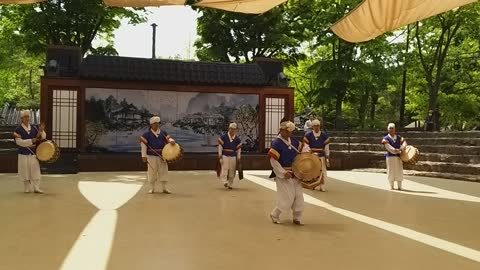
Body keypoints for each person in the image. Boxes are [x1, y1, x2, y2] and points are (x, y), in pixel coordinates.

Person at [268, 120, 304, 225]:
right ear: (281, 130)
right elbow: (273, 161)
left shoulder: (294, 141)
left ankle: (297, 217)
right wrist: (283, 173)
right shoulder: (276, 143)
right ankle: (274, 214)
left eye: (291, 132)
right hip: (283, 174)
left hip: (295, 173)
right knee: (287, 197)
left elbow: (302, 153)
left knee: (298, 195)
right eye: (288, 131)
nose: (290, 133)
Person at [140, 116, 176, 194]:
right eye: (155, 123)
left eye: (158, 123)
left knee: (163, 171)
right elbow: (143, 146)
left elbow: (168, 139)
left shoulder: (163, 133)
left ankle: (164, 188)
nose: (157, 125)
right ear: (151, 125)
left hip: (162, 156)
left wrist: (171, 141)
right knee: (152, 171)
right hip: (151, 156)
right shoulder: (146, 134)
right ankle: (152, 188)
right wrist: (144, 156)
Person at [13, 110, 46, 193]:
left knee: (35, 169)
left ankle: (36, 187)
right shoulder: (18, 130)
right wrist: (31, 140)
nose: (27, 118)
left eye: (28, 116)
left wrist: (41, 131)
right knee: (25, 170)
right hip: (23, 153)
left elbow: (42, 137)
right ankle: (26, 187)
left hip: (33, 153)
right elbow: (19, 142)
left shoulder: (34, 127)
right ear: (21, 119)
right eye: (25, 117)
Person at [300, 119, 330, 191]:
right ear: (312, 127)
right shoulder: (308, 135)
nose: (316, 127)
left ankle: (322, 186)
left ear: (320, 126)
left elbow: (326, 147)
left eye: (318, 126)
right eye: (315, 126)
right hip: (312, 156)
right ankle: (313, 185)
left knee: (322, 171)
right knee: (313, 171)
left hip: (321, 156)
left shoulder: (324, 135)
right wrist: (308, 154)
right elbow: (305, 146)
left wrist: (327, 156)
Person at [381, 123, 407, 190]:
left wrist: (402, 148)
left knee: (399, 171)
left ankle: (399, 186)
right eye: (390, 128)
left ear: (395, 129)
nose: (391, 129)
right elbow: (388, 147)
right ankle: (391, 186)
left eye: (392, 128)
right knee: (391, 171)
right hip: (390, 157)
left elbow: (404, 143)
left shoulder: (399, 137)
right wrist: (396, 150)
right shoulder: (385, 138)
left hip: (399, 157)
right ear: (388, 129)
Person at [218, 123, 242, 190]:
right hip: (225, 155)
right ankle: (224, 181)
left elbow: (239, 149)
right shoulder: (223, 137)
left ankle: (230, 184)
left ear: (235, 130)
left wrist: (239, 157)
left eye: (234, 129)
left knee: (232, 170)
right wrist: (220, 155)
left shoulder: (237, 139)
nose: (232, 130)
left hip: (233, 156)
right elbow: (220, 146)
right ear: (229, 128)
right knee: (225, 168)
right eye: (231, 129)